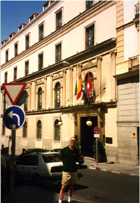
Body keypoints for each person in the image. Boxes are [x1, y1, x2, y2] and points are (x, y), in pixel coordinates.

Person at [58, 136, 79, 203]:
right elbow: (62, 159)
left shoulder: (76, 150)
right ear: (69, 141)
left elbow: (76, 159)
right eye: (72, 140)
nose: (73, 142)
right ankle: (60, 200)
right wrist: (66, 165)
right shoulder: (64, 150)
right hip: (66, 171)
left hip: (73, 171)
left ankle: (69, 199)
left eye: (74, 141)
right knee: (63, 186)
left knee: (71, 186)